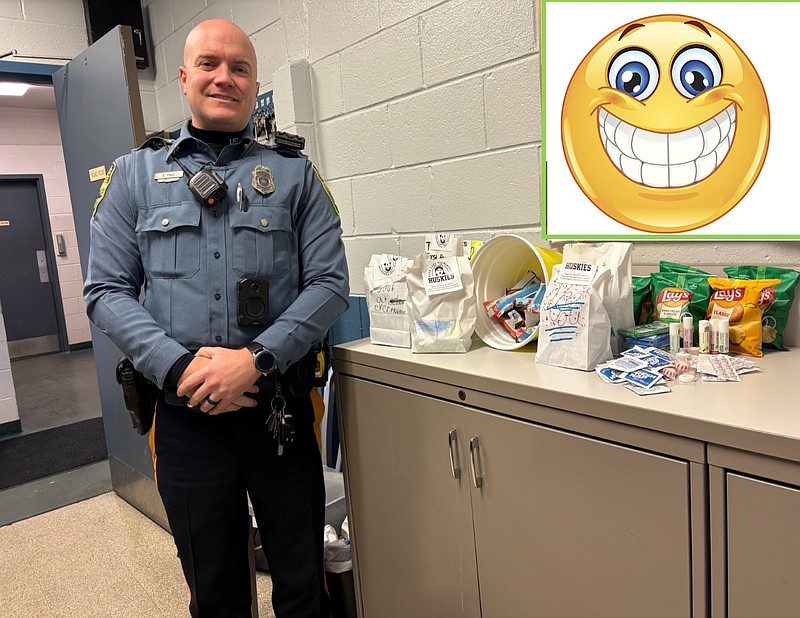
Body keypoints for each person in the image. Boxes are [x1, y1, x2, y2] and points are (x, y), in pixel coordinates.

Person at [84, 18, 349, 618]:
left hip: (277, 412)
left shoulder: (295, 176)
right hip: (185, 421)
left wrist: (254, 361)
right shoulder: (135, 176)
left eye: (239, 68)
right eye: (209, 64)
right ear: (183, 77)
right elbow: (105, 289)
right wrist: (180, 369)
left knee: (304, 584)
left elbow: (331, 284)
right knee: (216, 591)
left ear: (254, 85)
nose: (223, 77)